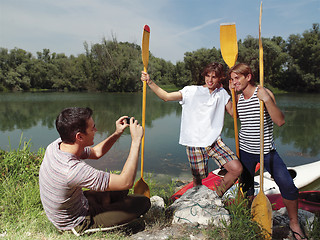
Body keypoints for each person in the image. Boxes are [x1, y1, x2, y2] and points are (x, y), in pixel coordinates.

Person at [39, 107, 151, 236]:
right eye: (92, 128)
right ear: (79, 136)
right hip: (77, 222)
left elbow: (96, 152)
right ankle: (97, 218)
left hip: (78, 203)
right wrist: (136, 141)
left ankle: (110, 206)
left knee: (120, 190)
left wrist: (117, 133)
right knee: (143, 202)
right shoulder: (72, 170)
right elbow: (126, 182)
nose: (96, 130)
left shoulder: (57, 145)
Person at [141, 62, 243, 197]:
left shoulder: (222, 93)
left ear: (220, 78)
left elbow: (234, 114)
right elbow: (166, 97)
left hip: (214, 141)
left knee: (236, 169)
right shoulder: (191, 91)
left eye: (214, 77)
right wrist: (150, 82)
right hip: (194, 142)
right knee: (198, 181)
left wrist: (233, 91)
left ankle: (215, 197)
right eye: (207, 76)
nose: (210, 80)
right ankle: (197, 201)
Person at [229, 63, 306, 240]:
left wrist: (268, 100)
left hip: (267, 152)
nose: (234, 82)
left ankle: (294, 223)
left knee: (288, 186)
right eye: (232, 79)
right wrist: (230, 93)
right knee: (246, 188)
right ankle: (250, 219)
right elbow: (234, 116)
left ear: (248, 77)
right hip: (245, 152)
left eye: (237, 78)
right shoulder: (238, 98)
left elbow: (280, 121)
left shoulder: (264, 93)